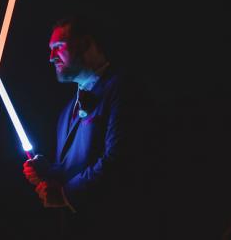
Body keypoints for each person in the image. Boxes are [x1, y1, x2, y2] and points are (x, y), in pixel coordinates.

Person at [23, 16, 150, 239]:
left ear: (86, 44)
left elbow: (118, 160)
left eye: (58, 47)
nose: (51, 58)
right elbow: (72, 168)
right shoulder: (65, 112)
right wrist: (49, 172)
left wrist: (64, 194)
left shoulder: (122, 89)